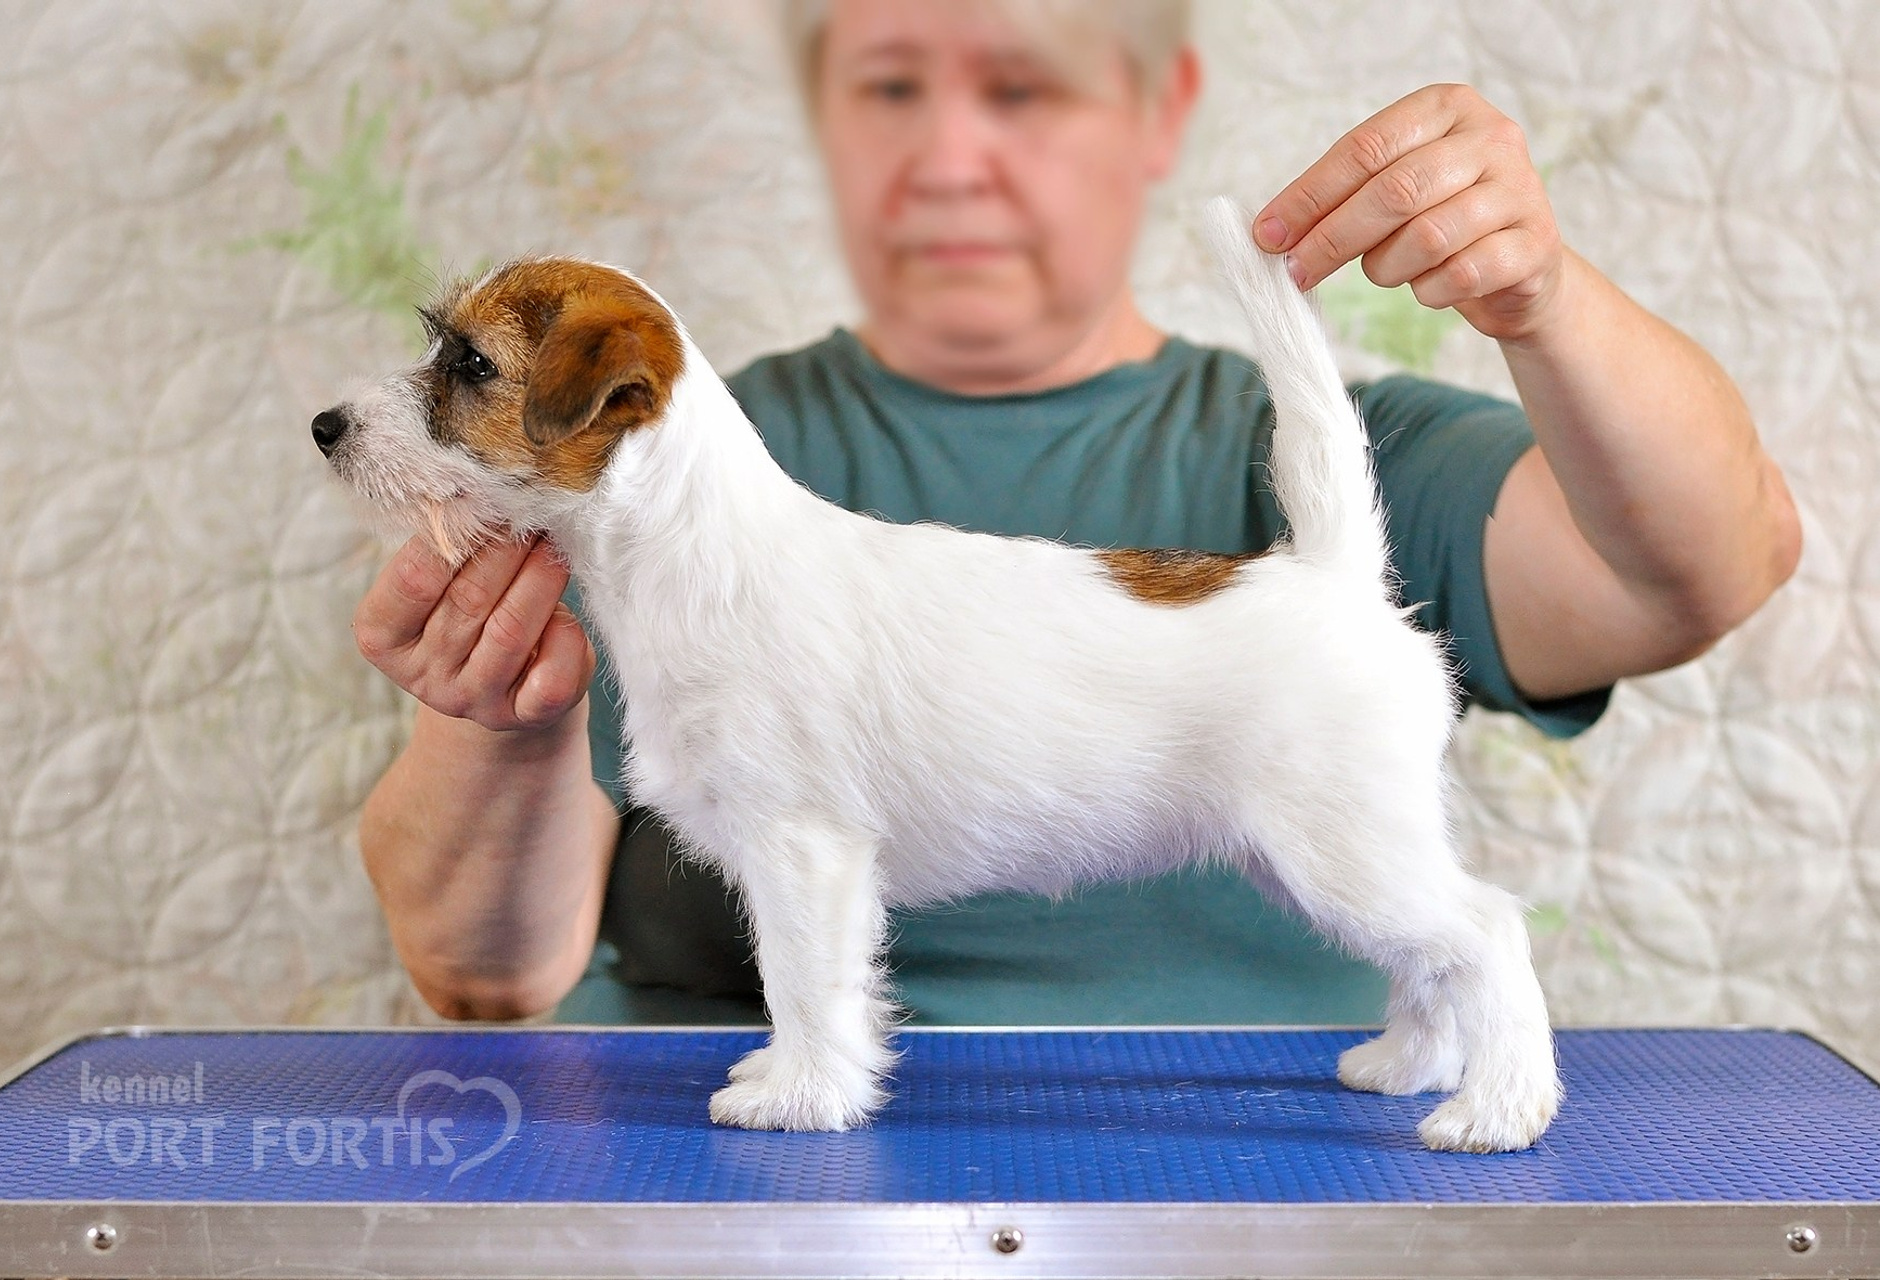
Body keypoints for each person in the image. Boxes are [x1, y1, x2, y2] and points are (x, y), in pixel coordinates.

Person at [351, 0, 1800, 1026]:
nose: (954, 153)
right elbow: (479, 978)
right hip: (714, 1186)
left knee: (1396, 893)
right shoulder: (630, 480)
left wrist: (1539, 298)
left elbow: (1709, 572)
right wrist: (506, 720)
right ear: (823, 118)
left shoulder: (1365, 451)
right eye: (890, 84)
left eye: (1024, 83)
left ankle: (1474, 1015)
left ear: (1157, 109)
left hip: (1247, 1156)